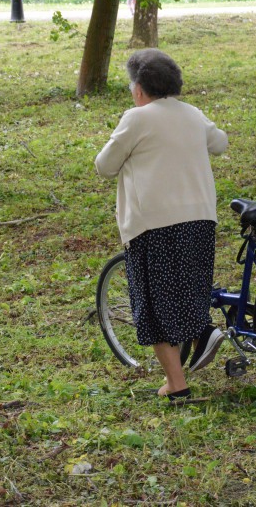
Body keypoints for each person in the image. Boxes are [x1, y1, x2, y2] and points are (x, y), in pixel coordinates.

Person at [95, 48, 229, 402]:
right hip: (200, 218)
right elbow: (220, 143)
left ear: (139, 89)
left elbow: (104, 166)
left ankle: (178, 384)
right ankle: (202, 330)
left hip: (154, 223)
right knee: (189, 288)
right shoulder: (192, 114)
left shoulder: (136, 119)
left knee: (153, 306)